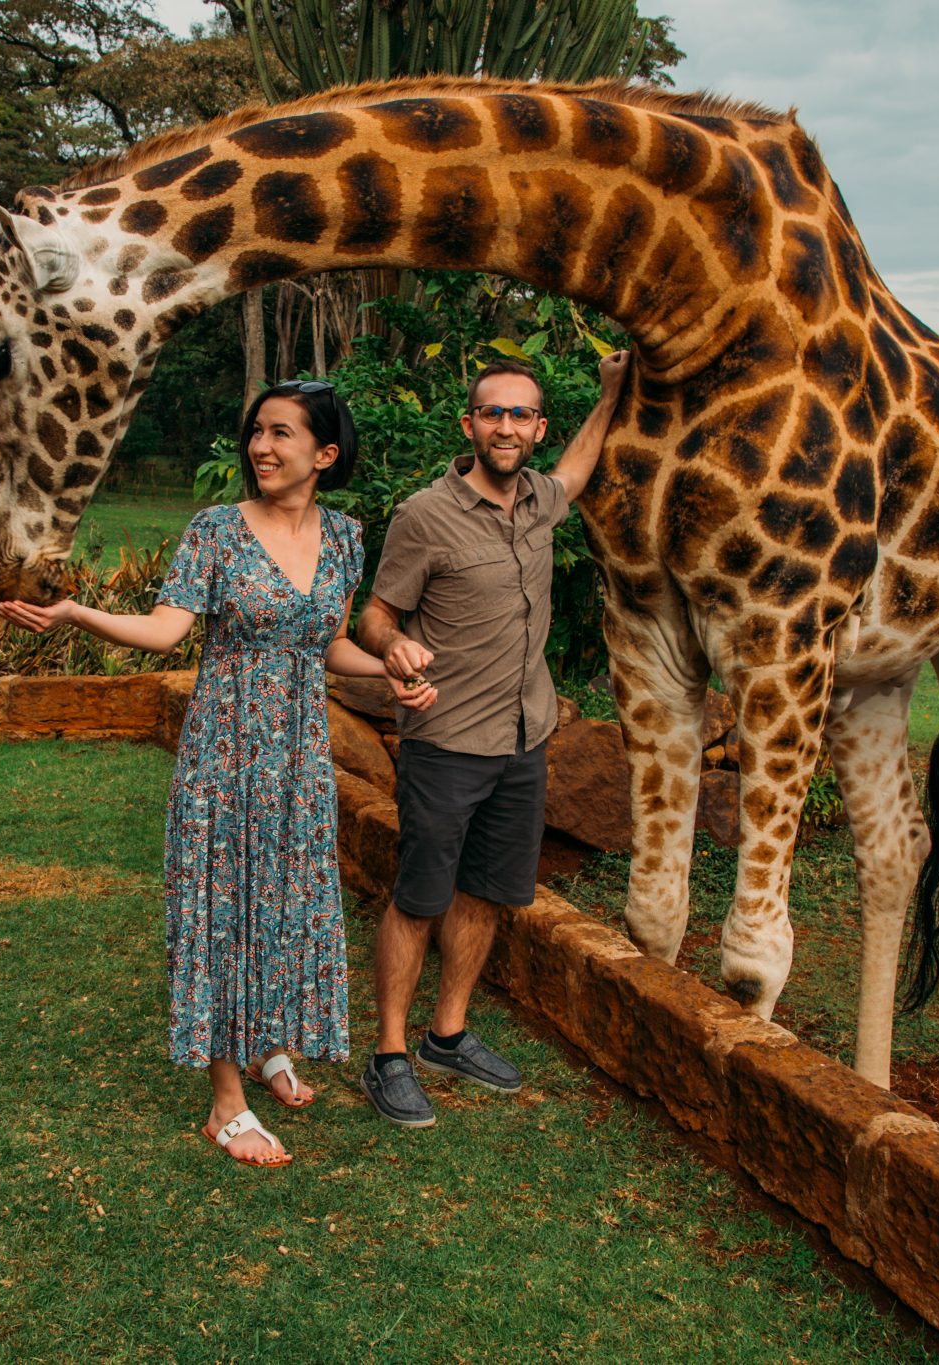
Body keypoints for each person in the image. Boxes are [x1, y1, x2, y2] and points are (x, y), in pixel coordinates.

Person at [0, 380, 432, 1167]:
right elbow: (167, 633)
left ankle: (267, 1042)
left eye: (281, 434)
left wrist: (391, 671)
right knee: (224, 906)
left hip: (298, 759)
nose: (261, 447)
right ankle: (226, 1100)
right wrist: (75, 614)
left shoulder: (344, 538)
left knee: (283, 895)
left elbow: (326, 644)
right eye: (256, 433)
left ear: (324, 455)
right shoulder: (216, 532)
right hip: (226, 754)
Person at [354, 350, 630, 1128]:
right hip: (447, 740)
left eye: (520, 414)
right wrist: (392, 646)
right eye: (492, 412)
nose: (505, 426)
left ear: (537, 427)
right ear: (468, 423)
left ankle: (448, 1032)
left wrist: (608, 397)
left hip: (522, 737)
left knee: (485, 893)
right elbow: (377, 613)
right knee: (420, 896)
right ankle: (390, 1054)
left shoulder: (542, 498)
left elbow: (577, 472)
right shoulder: (424, 514)